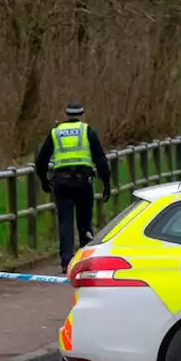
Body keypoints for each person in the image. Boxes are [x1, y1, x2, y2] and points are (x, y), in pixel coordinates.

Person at [34, 103, 112, 273]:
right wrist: (106, 184)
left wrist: (44, 181)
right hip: (84, 181)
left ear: (66, 114)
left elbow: (40, 161)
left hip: (62, 182)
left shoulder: (55, 133)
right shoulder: (87, 131)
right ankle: (84, 260)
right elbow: (100, 159)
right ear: (82, 114)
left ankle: (66, 261)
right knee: (84, 222)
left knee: (65, 222)